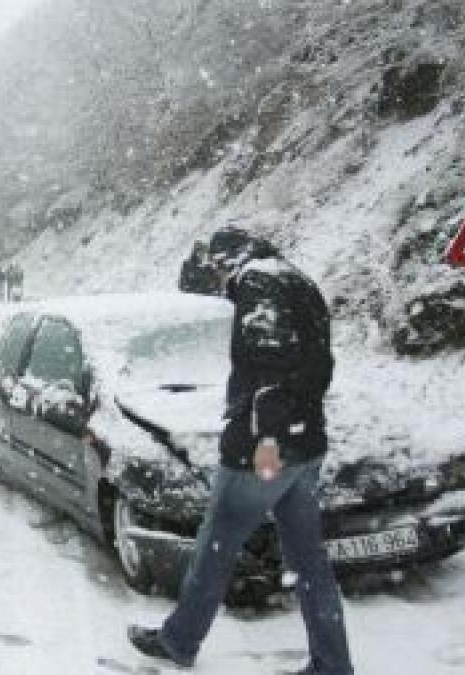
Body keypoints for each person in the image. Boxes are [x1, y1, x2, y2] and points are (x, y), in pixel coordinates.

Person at [128, 226, 353, 675]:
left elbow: (271, 368)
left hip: (268, 449)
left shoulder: (258, 283)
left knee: (216, 545)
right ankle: (332, 664)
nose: (216, 276)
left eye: (216, 266)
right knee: (310, 561)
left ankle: (179, 640)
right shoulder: (294, 278)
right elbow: (319, 363)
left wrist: (266, 445)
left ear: (230, 259)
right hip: (307, 443)